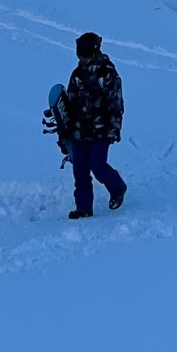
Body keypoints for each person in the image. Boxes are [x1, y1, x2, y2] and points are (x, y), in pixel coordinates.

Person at [60, 32, 127, 218]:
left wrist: (113, 128)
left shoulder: (106, 72)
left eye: (85, 52)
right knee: (80, 170)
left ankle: (118, 187)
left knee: (97, 166)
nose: (81, 56)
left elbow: (116, 102)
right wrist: (63, 132)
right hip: (79, 130)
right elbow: (70, 102)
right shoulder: (77, 74)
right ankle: (84, 208)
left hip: (101, 129)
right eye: (79, 52)